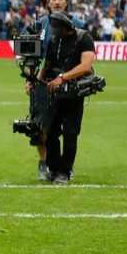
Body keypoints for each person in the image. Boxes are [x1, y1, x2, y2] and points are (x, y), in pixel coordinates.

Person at [26, 0, 79, 180]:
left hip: (70, 85)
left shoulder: (77, 24)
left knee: (68, 130)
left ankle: (65, 167)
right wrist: (30, 79)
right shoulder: (39, 25)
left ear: (66, 2)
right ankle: (44, 163)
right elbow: (30, 56)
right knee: (39, 126)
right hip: (43, 83)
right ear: (48, 2)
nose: (57, 2)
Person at [38, 12, 96, 184]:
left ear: (66, 27)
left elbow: (86, 66)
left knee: (71, 134)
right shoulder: (54, 40)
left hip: (74, 93)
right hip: (53, 93)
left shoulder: (84, 38)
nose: (54, 30)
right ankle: (54, 169)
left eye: (57, 27)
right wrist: (37, 82)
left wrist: (62, 77)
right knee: (51, 133)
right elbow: (47, 65)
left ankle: (65, 171)